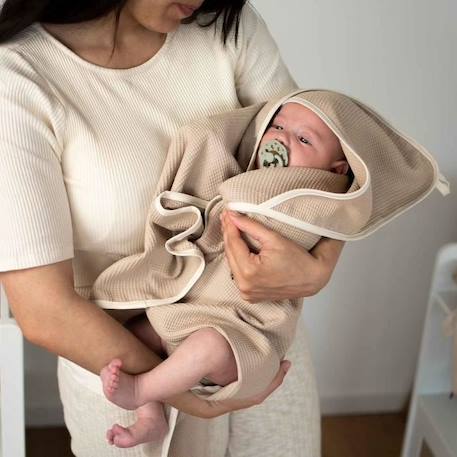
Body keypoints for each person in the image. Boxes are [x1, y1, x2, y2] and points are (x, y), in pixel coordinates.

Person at [0, 2, 345, 456]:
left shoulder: (227, 25)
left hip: (258, 342)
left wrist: (319, 267)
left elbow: (327, 170)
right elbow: (43, 309)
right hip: (123, 365)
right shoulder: (19, 76)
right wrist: (176, 392)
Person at [98, 100, 350, 448]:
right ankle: (151, 416)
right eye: (276, 127)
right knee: (137, 335)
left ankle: (142, 389)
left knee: (210, 345)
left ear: (336, 172)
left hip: (245, 336)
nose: (281, 139)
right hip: (194, 312)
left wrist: (318, 268)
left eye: (304, 140)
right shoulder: (247, 174)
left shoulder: (317, 201)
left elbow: (347, 216)